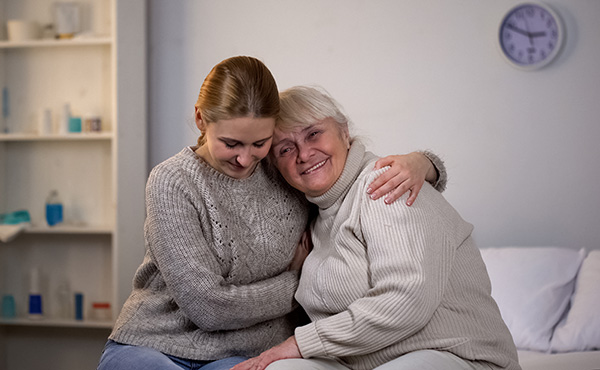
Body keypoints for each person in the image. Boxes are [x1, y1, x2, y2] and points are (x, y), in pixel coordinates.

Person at [96, 56, 446, 370]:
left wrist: (425, 164)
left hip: (248, 354)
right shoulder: (171, 181)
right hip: (154, 344)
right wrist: (297, 280)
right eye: (231, 144)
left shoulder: (285, 166)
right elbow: (208, 307)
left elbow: (349, 179)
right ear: (202, 120)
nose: (246, 159)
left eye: (259, 143)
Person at [232, 86, 521, 370]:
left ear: (345, 132)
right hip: (360, 362)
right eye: (285, 149)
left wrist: (299, 343)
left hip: (455, 354)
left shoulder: (385, 184)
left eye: (313, 134)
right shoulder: (314, 214)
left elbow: (405, 300)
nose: (304, 154)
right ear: (276, 165)